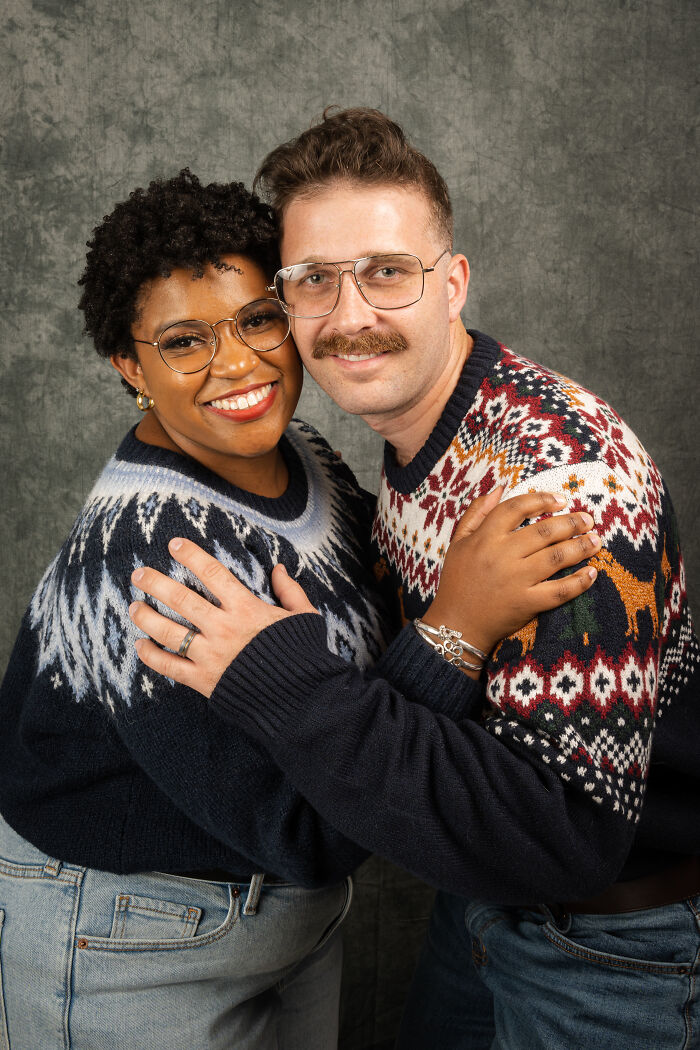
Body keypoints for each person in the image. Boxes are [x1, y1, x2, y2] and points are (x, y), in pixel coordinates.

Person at [131, 111, 700, 1050]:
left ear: (454, 284)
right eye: (315, 280)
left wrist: (289, 684)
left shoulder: (560, 488)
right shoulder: (418, 439)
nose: (350, 317)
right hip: (478, 907)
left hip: (612, 950)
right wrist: (453, 625)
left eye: (387, 273)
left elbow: (565, 835)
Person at [0, 168, 596, 1050]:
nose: (237, 364)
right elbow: (309, 829)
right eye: (184, 341)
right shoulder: (155, 565)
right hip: (136, 938)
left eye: (256, 320)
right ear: (130, 366)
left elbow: (355, 671)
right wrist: (461, 627)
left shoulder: (300, 452)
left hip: (281, 924)